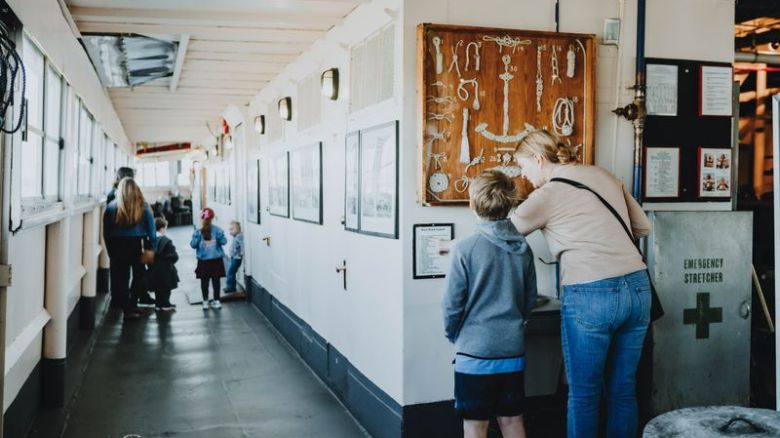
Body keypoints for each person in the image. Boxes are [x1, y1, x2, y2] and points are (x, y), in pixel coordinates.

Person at [511, 130, 651, 438]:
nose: (523, 175)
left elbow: (502, 236)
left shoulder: (546, 195)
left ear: (538, 159)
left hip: (591, 293)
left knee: (585, 395)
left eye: (523, 166)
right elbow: (643, 227)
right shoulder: (603, 175)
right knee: (623, 390)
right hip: (639, 288)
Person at [442, 170, 537, 438]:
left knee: (475, 424)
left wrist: (455, 335)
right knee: (512, 420)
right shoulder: (523, 248)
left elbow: (451, 305)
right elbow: (529, 299)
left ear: (472, 204)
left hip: (474, 352)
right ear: (510, 204)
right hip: (512, 349)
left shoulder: (465, 248)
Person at [103, 177, 157, 320]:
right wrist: (153, 247)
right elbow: (152, 230)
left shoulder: (111, 207)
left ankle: (126, 308)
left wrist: (109, 250)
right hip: (136, 244)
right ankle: (133, 302)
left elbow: (106, 232)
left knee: (122, 277)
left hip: (116, 244)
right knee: (139, 274)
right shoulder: (144, 207)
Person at [191, 208, 227, 310]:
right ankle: (216, 301)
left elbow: (193, 245)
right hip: (216, 261)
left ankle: (205, 302)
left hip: (203, 261)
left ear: (201, 218)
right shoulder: (218, 230)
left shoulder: (198, 232)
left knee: (204, 281)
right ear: (212, 218)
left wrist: (197, 239)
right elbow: (224, 242)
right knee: (216, 281)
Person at [149, 217, 179, 312]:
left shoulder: (150, 240)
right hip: (166, 268)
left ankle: (158, 304)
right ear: (162, 228)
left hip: (154, 268)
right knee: (166, 288)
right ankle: (165, 304)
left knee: (158, 288)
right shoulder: (167, 241)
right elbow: (174, 256)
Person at [224, 220, 244, 293]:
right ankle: (231, 286)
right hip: (233, 257)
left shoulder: (239, 236)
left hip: (237, 258)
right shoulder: (236, 236)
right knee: (231, 272)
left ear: (238, 229)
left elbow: (243, 245)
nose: (230, 231)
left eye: (232, 229)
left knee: (230, 272)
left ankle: (230, 287)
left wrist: (241, 254)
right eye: (230, 229)